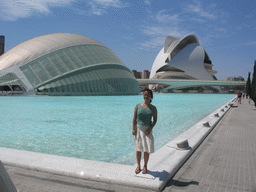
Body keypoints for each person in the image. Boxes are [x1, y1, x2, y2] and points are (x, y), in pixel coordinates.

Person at [132, 89, 157, 174]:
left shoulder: (153, 108)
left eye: (148, 95)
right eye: (145, 95)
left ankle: (145, 166)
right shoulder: (138, 106)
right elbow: (134, 119)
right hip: (138, 129)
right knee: (138, 149)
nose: (146, 96)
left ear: (151, 97)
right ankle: (138, 166)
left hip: (147, 130)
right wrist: (133, 129)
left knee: (146, 149)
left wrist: (150, 129)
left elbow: (155, 120)